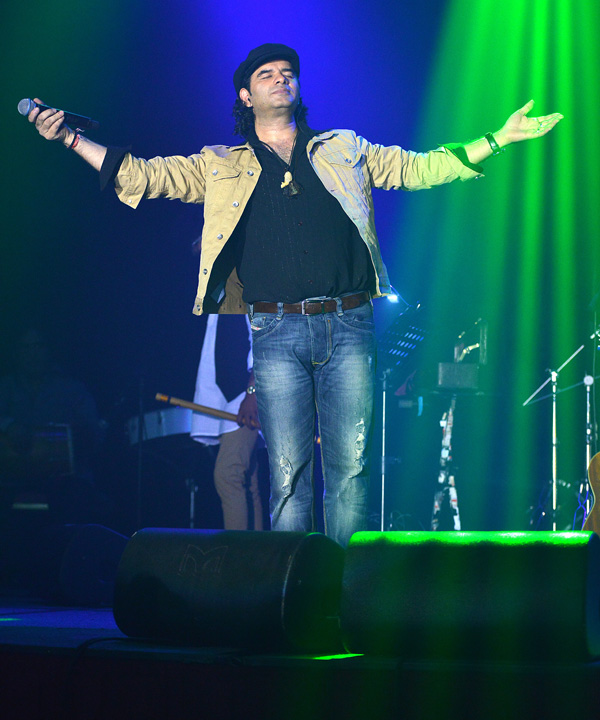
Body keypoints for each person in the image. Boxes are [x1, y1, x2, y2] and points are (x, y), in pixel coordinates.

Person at [27, 43, 563, 546]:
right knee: (287, 474)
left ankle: (346, 588)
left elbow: (419, 167)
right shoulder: (221, 163)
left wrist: (498, 139)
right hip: (276, 330)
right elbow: (142, 176)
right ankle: (293, 590)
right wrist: (70, 138)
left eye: (288, 73)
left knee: (351, 470)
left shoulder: (344, 148)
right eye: (267, 74)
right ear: (246, 96)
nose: (281, 78)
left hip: (349, 324)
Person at [190, 312, 263, 530]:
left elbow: (263, 338)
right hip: (229, 396)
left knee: (228, 474)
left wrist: (252, 391)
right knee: (248, 483)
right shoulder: (218, 294)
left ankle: (238, 550)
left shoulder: (243, 290)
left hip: (246, 395)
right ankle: (256, 549)